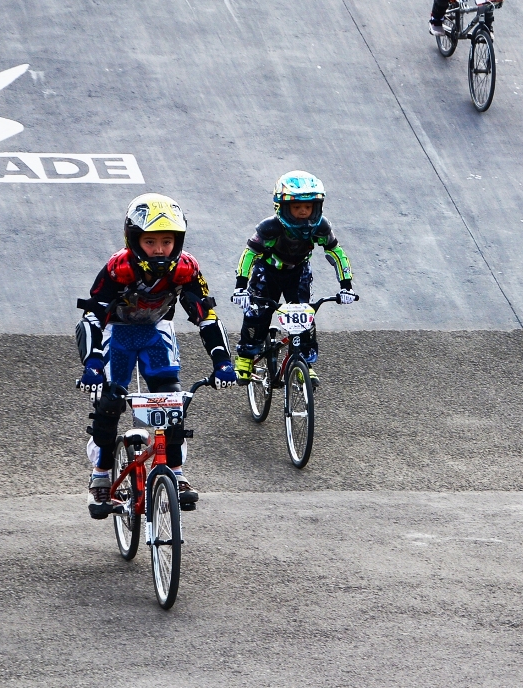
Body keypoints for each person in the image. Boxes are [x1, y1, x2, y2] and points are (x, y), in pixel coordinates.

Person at [76, 193, 237, 518]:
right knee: (108, 404)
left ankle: (175, 474)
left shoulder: (187, 269)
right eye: (151, 241)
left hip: (156, 333)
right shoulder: (117, 268)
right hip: (117, 334)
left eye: (167, 241)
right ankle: (102, 475)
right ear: (134, 240)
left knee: (172, 403)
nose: (160, 249)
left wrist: (222, 363)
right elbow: (92, 317)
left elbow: (206, 315)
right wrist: (92, 364)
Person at [232, 172, 354, 381]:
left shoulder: (321, 227)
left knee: (305, 316)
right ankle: (245, 359)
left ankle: (303, 361)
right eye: (297, 207)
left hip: (298, 272)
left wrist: (347, 286)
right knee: (257, 313)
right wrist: (240, 287)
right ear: (282, 207)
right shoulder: (269, 228)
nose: (303, 212)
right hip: (267, 272)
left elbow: (336, 252)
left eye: (308, 207)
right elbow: (249, 255)